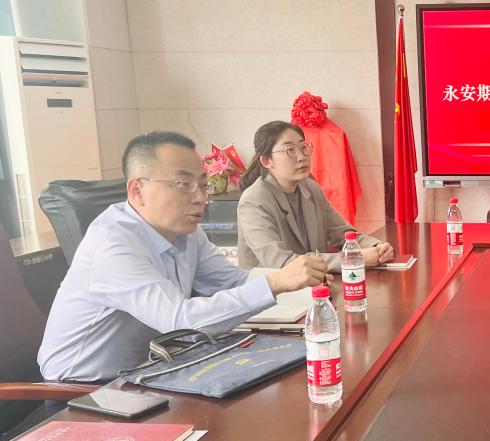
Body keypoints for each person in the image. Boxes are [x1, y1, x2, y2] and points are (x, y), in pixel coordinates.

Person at [38, 131, 326, 383]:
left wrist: (303, 285)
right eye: (183, 185)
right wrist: (275, 282)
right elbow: (179, 321)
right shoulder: (113, 245)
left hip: (152, 370)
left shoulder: (186, 231)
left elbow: (232, 280)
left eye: (203, 185)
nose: (200, 198)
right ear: (137, 190)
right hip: (85, 392)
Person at [236, 121, 394, 272]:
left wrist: (377, 247)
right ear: (267, 161)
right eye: (290, 150)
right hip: (271, 289)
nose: (302, 156)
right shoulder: (253, 201)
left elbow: (343, 234)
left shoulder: (311, 188)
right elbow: (281, 263)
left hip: (314, 284)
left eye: (303, 147)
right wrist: (353, 258)